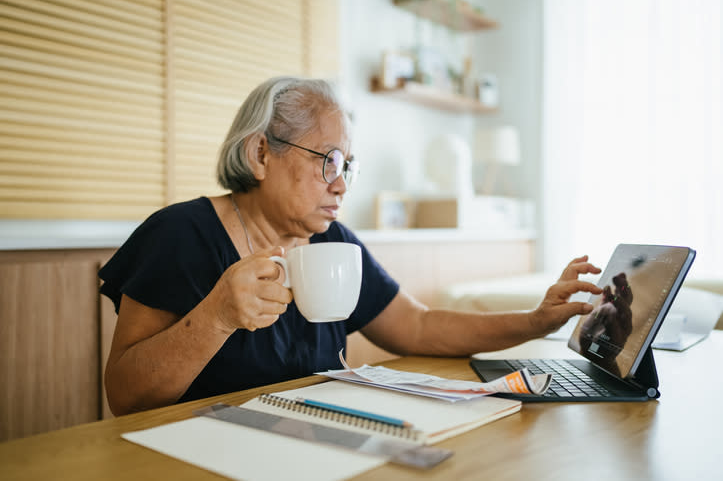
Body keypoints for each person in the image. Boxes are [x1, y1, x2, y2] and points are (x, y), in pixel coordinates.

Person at [100, 76, 603, 416]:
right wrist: (217, 317)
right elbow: (124, 395)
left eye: (347, 167)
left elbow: (418, 325)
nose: (341, 186)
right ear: (260, 153)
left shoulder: (333, 241)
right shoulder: (180, 234)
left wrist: (534, 320)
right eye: (329, 161)